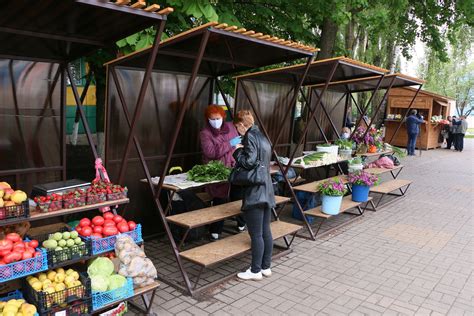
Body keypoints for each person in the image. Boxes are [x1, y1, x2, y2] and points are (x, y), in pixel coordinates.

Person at [233, 110, 275, 281]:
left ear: (242, 124)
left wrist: (237, 151)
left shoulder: (250, 136)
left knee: (256, 234)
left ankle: (255, 270)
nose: (237, 131)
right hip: (266, 189)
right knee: (266, 231)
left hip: (255, 192)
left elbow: (249, 162)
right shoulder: (262, 136)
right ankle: (266, 267)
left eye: (237, 127)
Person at [200, 105, 243, 241]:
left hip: (233, 167)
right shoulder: (205, 133)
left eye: (217, 118)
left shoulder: (230, 127)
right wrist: (230, 144)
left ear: (223, 117)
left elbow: (239, 144)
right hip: (217, 171)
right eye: (212, 119)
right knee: (220, 199)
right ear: (208, 119)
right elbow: (211, 152)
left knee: (239, 195)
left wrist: (235, 146)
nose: (215, 121)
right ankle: (215, 230)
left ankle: (241, 222)